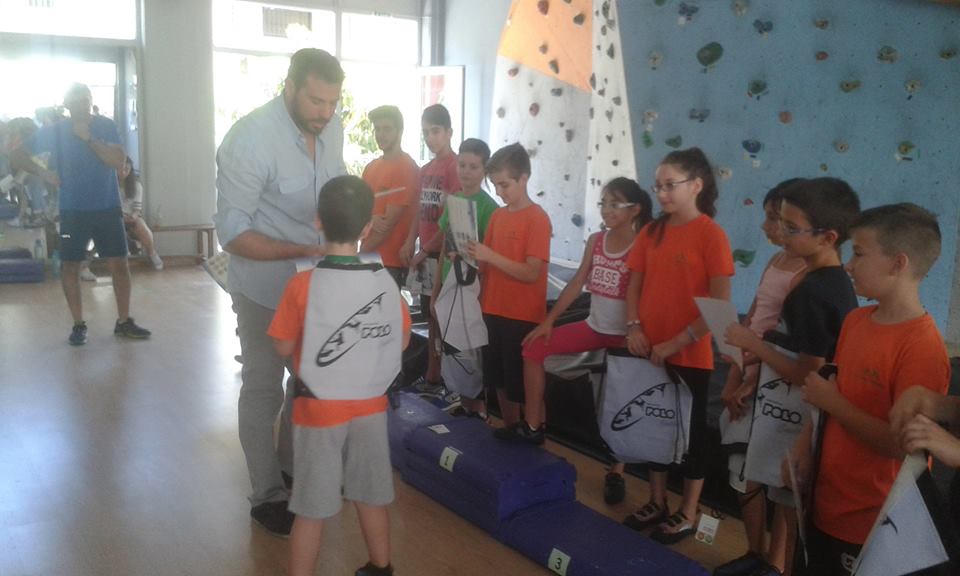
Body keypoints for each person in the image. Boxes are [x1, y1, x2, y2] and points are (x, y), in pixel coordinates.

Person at [213, 48, 345, 537]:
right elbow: (233, 234)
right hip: (263, 288)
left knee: (307, 381)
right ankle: (266, 494)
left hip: (316, 282)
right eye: (315, 101)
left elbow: (333, 190)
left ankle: (290, 469)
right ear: (289, 87)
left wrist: (349, 222)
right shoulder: (249, 139)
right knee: (264, 385)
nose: (325, 113)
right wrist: (304, 248)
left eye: (332, 102)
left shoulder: (332, 127)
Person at [786, 203, 950, 576]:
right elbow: (830, 391)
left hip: (875, 521)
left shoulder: (922, 347)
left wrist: (833, 403)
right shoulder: (856, 320)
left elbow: (900, 444)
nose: (848, 265)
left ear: (898, 263)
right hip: (826, 502)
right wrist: (804, 445)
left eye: (859, 254)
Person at [268, 175, 410, 576]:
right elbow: (401, 342)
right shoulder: (384, 282)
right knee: (370, 494)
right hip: (371, 407)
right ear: (367, 228)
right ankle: (380, 567)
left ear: (318, 220)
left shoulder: (302, 285)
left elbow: (281, 347)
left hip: (318, 411)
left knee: (311, 508)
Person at [724, 178, 860, 574]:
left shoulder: (815, 291)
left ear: (827, 237)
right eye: (779, 222)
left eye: (790, 227)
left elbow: (808, 373)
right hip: (791, 408)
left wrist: (754, 343)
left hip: (801, 414)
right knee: (777, 493)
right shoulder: (819, 283)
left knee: (790, 503)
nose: (779, 233)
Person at [497, 177, 653, 495]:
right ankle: (533, 425)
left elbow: (647, 294)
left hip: (623, 336)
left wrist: (639, 330)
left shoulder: (643, 245)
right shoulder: (596, 240)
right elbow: (577, 282)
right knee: (533, 349)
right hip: (594, 327)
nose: (606, 210)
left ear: (635, 210)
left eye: (614, 204)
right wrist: (549, 322)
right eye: (603, 203)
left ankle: (617, 469)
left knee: (617, 398)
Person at [622, 147, 734, 544]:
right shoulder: (651, 232)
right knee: (654, 428)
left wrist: (677, 342)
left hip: (690, 356)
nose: (662, 193)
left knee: (691, 437)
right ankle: (657, 500)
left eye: (671, 185)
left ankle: (688, 511)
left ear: (696, 185)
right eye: (659, 186)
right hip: (647, 350)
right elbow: (633, 286)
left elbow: (720, 305)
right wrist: (634, 327)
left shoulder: (711, 235)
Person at [713, 180, 808, 576]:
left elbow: (793, 345)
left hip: (780, 384)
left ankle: (776, 563)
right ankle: (755, 550)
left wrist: (756, 381)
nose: (768, 227)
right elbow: (751, 320)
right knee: (743, 469)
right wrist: (735, 376)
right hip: (752, 371)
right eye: (770, 217)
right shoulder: (774, 262)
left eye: (777, 219)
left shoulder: (808, 274)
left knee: (781, 483)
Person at [10, 83, 150, 345]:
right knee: (70, 265)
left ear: (91, 101)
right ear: (67, 105)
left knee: (119, 263)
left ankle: (123, 321)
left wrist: (88, 138)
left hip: (108, 208)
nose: (82, 106)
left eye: (85, 100)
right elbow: (16, 155)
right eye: (76, 102)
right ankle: (78, 324)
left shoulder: (105, 126)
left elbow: (117, 161)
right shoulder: (55, 131)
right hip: (72, 212)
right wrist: (44, 173)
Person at [465, 143, 551, 430]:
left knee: (522, 382)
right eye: (495, 185)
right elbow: (485, 264)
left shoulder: (537, 219)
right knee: (498, 378)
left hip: (523, 314)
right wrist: (468, 256)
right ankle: (511, 427)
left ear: (523, 178)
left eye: (504, 185)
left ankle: (534, 430)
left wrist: (489, 256)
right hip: (492, 308)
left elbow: (531, 272)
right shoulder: (498, 217)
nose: (499, 192)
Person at [429, 138, 499, 419]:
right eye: (462, 165)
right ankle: (465, 402)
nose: (466, 172)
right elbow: (445, 246)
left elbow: (489, 256)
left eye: (473, 167)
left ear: (484, 170)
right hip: (450, 284)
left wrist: (482, 295)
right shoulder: (454, 199)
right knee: (452, 346)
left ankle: (479, 407)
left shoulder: (489, 207)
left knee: (471, 349)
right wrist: (436, 289)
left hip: (473, 288)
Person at [409, 103, 460, 396]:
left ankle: (445, 378)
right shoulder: (426, 170)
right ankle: (432, 374)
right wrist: (411, 242)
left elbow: (452, 221)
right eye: (426, 132)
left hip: (442, 255)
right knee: (431, 316)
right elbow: (419, 212)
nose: (430, 138)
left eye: (436, 131)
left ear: (449, 132)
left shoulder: (455, 167)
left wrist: (426, 249)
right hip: (426, 254)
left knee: (444, 317)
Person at [360, 105, 419, 287]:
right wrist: (371, 218)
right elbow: (358, 211)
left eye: (387, 129)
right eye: (377, 129)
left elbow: (386, 225)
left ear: (400, 131)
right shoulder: (371, 167)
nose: (381, 134)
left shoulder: (405, 167)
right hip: (369, 258)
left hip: (390, 262)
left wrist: (358, 254)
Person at [119, 156, 163, 270]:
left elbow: (137, 209)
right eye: (120, 168)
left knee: (142, 227)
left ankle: (152, 253)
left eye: (126, 169)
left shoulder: (136, 186)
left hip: (130, 217)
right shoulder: (110, 186)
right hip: (114, 217)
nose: (123, 172)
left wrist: (133, 216)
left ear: (130, 170)